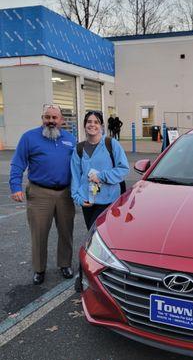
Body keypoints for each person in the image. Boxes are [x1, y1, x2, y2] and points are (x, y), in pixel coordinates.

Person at [10, 104, 76, 285]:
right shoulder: (29, 138)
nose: (51, 121)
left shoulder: (70, 139)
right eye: (47, 117)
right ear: (42, 118)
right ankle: (39, 269)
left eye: (55, 118)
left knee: (66, 231)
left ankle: (65, 264)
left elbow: (78, 166)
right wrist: (15, 186)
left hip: (65, 193)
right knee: (39, 233)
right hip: (39, 193)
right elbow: (17, 163)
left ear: (61, 120)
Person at [70, 111, 129, 230]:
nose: (92, 125)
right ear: (84, 125)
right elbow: (75, 175)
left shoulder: (111, 144)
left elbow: (123, 169)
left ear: (101, 126)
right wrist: (77, 197)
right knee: (92, 234)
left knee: (99, 233)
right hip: (88, 201)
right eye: (89, 122)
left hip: (109, 200)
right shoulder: (79, 148)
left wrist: (101, 176)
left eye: (96, 122)